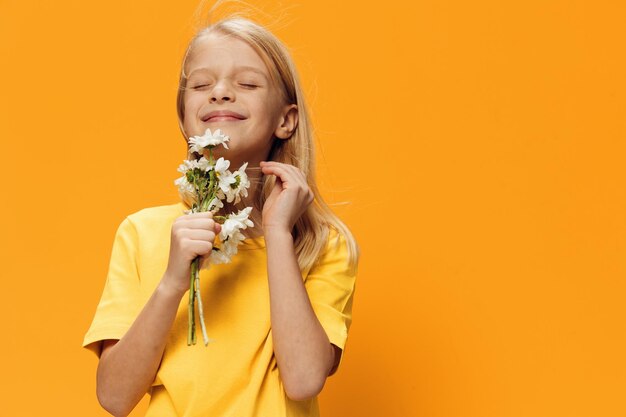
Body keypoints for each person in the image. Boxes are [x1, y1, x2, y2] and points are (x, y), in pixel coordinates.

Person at [83, 15, 359, 417]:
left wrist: (278, 233)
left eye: (246, 84)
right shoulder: (141, 233)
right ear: (184, 119)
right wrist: (173, 280)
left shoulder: (324, 244)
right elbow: (114, 397)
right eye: (200, 85)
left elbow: (302, 379)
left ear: (286, 120)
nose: (220, 93)